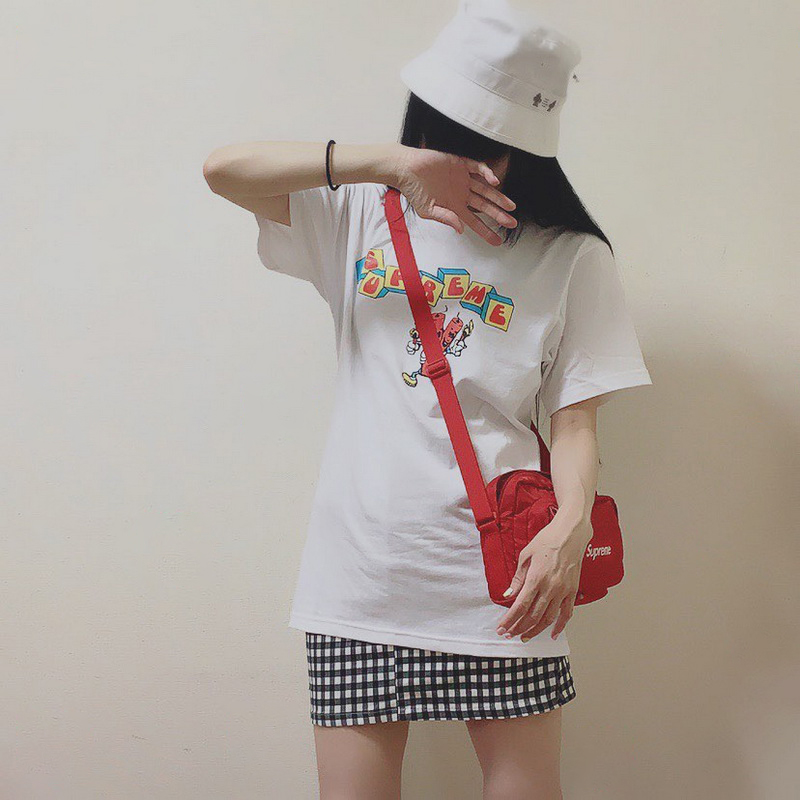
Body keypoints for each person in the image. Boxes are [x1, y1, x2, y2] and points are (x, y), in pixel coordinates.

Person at [203, 1, 653, 797]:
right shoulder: (359, 215)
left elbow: (575, 421)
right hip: (362, 579)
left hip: (507, 579)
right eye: (447, 133)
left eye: (490, 142)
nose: (469, 160)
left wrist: (571, 527)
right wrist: (388, 163)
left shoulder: (570, 255)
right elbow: (223, 170)